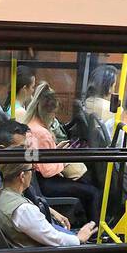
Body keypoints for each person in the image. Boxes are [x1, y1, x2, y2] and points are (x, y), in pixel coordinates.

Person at [22, 85, 101, 222]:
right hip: (45, 183)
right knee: (93, 192)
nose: (54, 117)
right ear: (48, 112)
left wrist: (55, 151)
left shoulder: (30, 124)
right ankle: (95, 232)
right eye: (53, 114)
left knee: (85, 185)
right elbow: (46, 170)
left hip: (36, 180)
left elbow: (37, 158)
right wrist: (62, 160)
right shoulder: (42, 133)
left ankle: (84, 222)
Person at [0, 162, 95, 248]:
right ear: (22, 176)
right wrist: (79, 238)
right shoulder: (24, 210)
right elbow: (54, 239)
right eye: (32, 170)